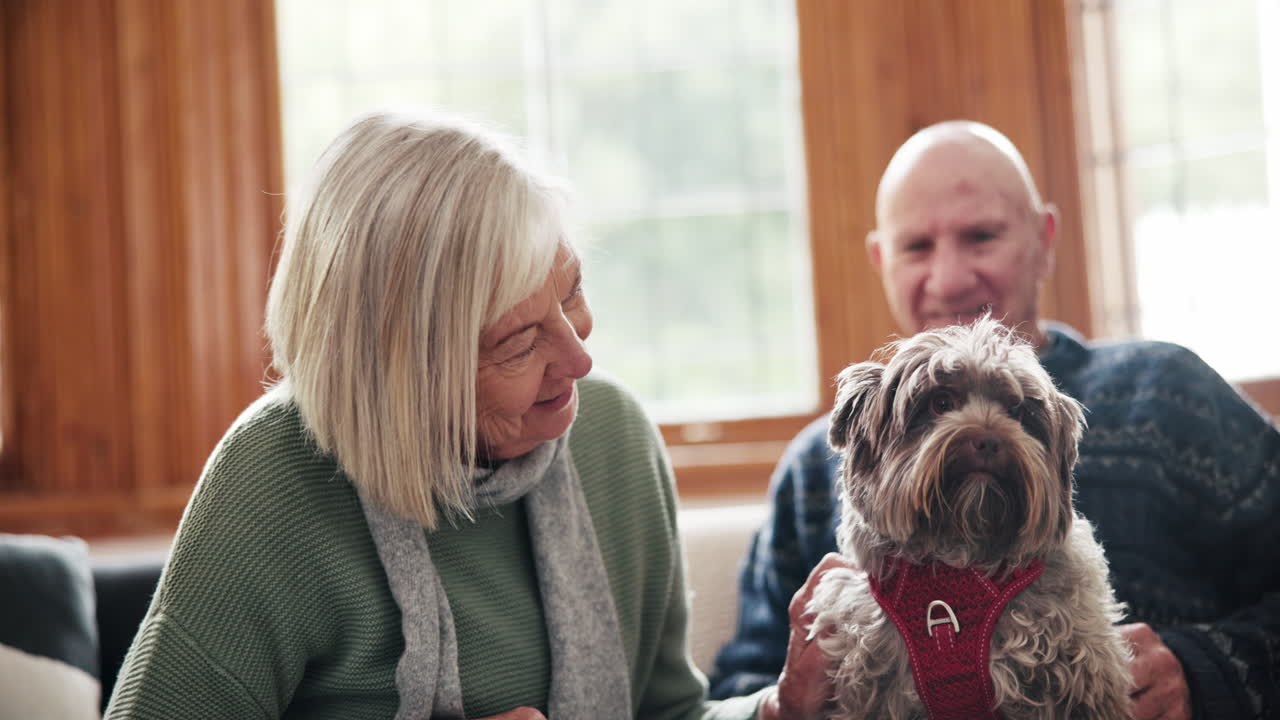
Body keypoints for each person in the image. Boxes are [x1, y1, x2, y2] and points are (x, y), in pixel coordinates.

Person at [103, 111, 835, 720]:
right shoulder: (274, 479)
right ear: (403, 380)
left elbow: (665, 712)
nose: (579, 358)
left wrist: (776, 710)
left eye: (572, 292)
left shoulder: (611, 436)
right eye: (518, 342)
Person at [708, 120, 1280, 720]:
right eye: (917, 247)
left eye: (980, 236)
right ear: (881, 259)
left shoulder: (1167, 396)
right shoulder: (819, 465)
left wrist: (1202, 671)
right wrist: (790, 702)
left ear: (1044, 238)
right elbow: (737, 686)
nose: (950, 279)